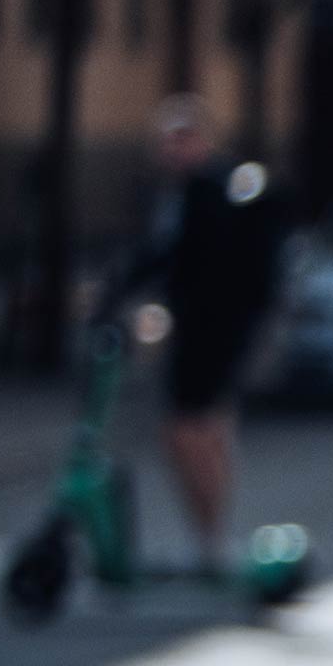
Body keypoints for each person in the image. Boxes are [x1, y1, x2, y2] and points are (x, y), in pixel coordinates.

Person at [119, 95, 285, 574]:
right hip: (205, 329)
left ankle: (211, 539)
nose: (172, 150)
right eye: (166, 141)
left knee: (193, 430)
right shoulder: (186, 190)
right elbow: (161, 258)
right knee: (199, 430)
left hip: (213, 331)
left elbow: (196, 264)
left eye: (182, 139)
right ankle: (209, 537)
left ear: (203, 139)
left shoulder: (214, 190)